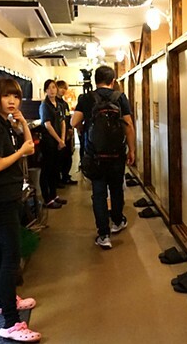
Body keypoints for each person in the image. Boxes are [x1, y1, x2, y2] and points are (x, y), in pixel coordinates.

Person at [0, 78, 41, 342]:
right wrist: (20, 151)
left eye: (16, 96)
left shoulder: (5, 124)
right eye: (6, 96)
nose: (12, 101)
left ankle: (5, 301)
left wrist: (23, 122)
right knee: (11, 256)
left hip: (9, 195)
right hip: (0, 198)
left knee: (4, 252)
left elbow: (30, 148)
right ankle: (11, 323)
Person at [71, 65, 135, 249]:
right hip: (117, 153)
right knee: (116, 189)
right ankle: (117, 221)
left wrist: (83, 128)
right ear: (112, 81)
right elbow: (129, 125)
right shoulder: (120, 97)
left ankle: (103, 235)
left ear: (95, 81)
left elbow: (74, 122)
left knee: (98, 193)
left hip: (95, 155)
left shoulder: (86, 98)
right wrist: (131, 150)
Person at [38, 79, 66, 208]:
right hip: (48, 142)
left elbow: (63, 122)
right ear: (45, 90)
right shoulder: (45, 105)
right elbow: (47, 125)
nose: (52, 90)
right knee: (47, 170)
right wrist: (59, 140)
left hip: (59, 142)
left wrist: (62, 139)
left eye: (54, 87)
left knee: (55, 169)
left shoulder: (59, 105)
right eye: (49, 88)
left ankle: (54, 195)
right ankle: (47, 199)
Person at [56, 80, 77, 185]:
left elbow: (67, 117)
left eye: (65, 88)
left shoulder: (64, 104)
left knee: (68, 157)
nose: (63, 90)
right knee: (59, 158)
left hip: (67, 134)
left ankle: (65, 176)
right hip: (58, 135)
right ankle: (58, 179)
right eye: (61, 88)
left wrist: (70, 129)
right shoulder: (54, 103)